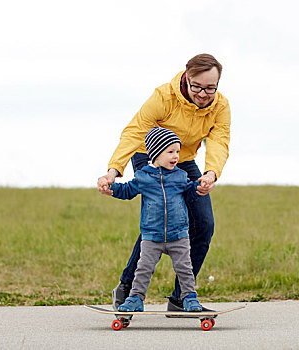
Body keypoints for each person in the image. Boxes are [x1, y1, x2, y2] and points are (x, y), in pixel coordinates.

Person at [97, 53, 230, 312]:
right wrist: (114, 171)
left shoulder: (220, 106)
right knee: (158, 220)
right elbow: (135, 131)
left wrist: (211, 174)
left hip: (184, 159)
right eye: (198, 87)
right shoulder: (163, 97)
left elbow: (219, 140)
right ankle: (127, 288)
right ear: (187, 78)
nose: (204, 94)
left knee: (204, 223)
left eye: (211, 88)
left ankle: (183, 297)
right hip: (150, 156)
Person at [111, 127, 203, 312]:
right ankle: (136, 298)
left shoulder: (180, 175)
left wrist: (199, 188)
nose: (176, 156)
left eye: (177, 151)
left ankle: (189, 298)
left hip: (178, 235)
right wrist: (111, 188)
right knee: (143, 269)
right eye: (170, 152)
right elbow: (127, 191)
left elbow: (189, 193)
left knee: (185, 269)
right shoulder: (143, 177)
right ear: (155, 154)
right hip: (152, 236)